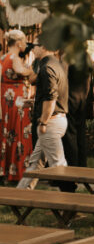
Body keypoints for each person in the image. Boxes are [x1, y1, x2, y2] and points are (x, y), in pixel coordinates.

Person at [17, 39, 69, 188]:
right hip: (56, 119)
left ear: (44, 47)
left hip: (50, 122)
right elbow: (53, 97)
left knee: (58, 165)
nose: (32, 49)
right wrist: (33, 103)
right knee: (36, 162)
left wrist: (43, 122)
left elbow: (51, 99)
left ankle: (70, 204)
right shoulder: (56, 64)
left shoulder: (47, 68)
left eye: (34, 46)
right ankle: (21, 196)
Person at [0, 29, 34, 182]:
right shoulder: (14, 58)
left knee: (8, 132)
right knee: (18, 132)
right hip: (17, 101)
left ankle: (6, 169)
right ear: (18, 43)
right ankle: (17, 171)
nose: (26, 44)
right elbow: (20, 71)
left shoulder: (3, 57)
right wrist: (33, 69)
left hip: (7, 99)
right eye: (25, 41)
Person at [61, 52, 94, 189]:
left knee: (69, 138)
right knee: (80, 136)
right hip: (83, 99)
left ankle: (73, 171)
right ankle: (83, 169)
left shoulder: (67, 56)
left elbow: (62, 78)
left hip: (69, 99)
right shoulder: (87, 55)